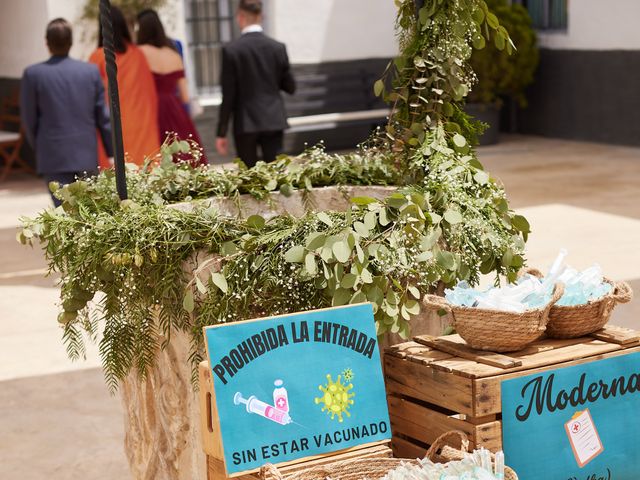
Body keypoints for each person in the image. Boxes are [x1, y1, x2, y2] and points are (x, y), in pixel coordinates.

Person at [20, 18, 113, 206]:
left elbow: (29, 120)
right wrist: (111, 151)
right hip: (86, 154)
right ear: (71, 42)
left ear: (47, 43)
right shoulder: (90, 72)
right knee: (90, 213)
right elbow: (102, 117)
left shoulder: (33, 74)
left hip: (52, 154)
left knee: (63, 213)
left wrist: (39, 147)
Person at [215, 0, 296, 168]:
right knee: (276, 175)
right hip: (273, 119)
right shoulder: (277, 48)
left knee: (249, 179)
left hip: (246, 123)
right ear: (261, 17)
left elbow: (228, 95)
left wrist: (221, 132)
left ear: (240, 17)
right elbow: (291, 87)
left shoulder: (232, 50)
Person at [89, 6, 160, 168]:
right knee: (144, 173)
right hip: (142, 123)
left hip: (114, 125)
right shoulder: (137, 54)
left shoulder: (98, 57)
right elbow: (150, 94)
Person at [136, 9, 207, 166]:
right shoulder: (174, 54)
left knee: (154, 156)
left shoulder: (140, 53)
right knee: (183, 153)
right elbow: (185, 96)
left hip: (152, 107)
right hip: (175, 108)